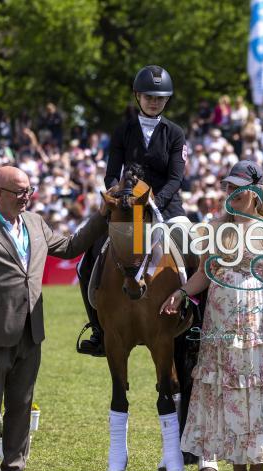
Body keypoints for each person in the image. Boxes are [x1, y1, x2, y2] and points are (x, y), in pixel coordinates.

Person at [0, 166, 108, 471]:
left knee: (21, 406)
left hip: (30, 331)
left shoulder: (35, 223)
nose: (27, 196)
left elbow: (70, 246)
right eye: (20, 191)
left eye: (29, 190)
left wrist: (102, 215)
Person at [161, 161, 263, 471]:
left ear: (253, 192)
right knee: (228, 394)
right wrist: (180, 292)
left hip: (257, 322)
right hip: (220, 324)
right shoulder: (216, 230)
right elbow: (205, 273)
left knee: (256, 392)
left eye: (238, 188)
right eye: (228, 188)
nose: (231, 194)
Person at [77, 64, 188, 356]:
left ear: (167, 99)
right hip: (126, 206)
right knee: (86, 258)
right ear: (137, 96)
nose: (154, 101)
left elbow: (176, 177)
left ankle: (195, 322)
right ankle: (99, 330)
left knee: (191, 244)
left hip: (166, 206)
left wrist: (154, 203)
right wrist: (120, 198)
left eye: (160, 97)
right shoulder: (123, 130)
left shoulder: (175, 133)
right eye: (149, 96)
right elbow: (112, 174)